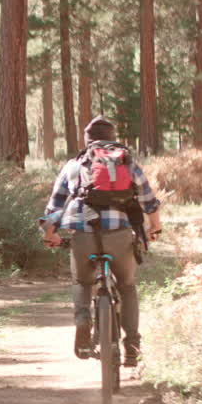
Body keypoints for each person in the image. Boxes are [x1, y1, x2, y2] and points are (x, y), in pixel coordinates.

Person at [40, 116, 162, 367]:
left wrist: (49, 234)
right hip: (119, 235)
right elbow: (149, 201)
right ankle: (132, 347)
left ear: (87, 140)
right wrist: (154, 226)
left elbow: (55, 206)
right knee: (127, 286)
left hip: (83, 234)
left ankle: (83, 320)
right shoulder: (127, 163)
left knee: (82, 282)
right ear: (113, 138)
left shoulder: (74, 165)